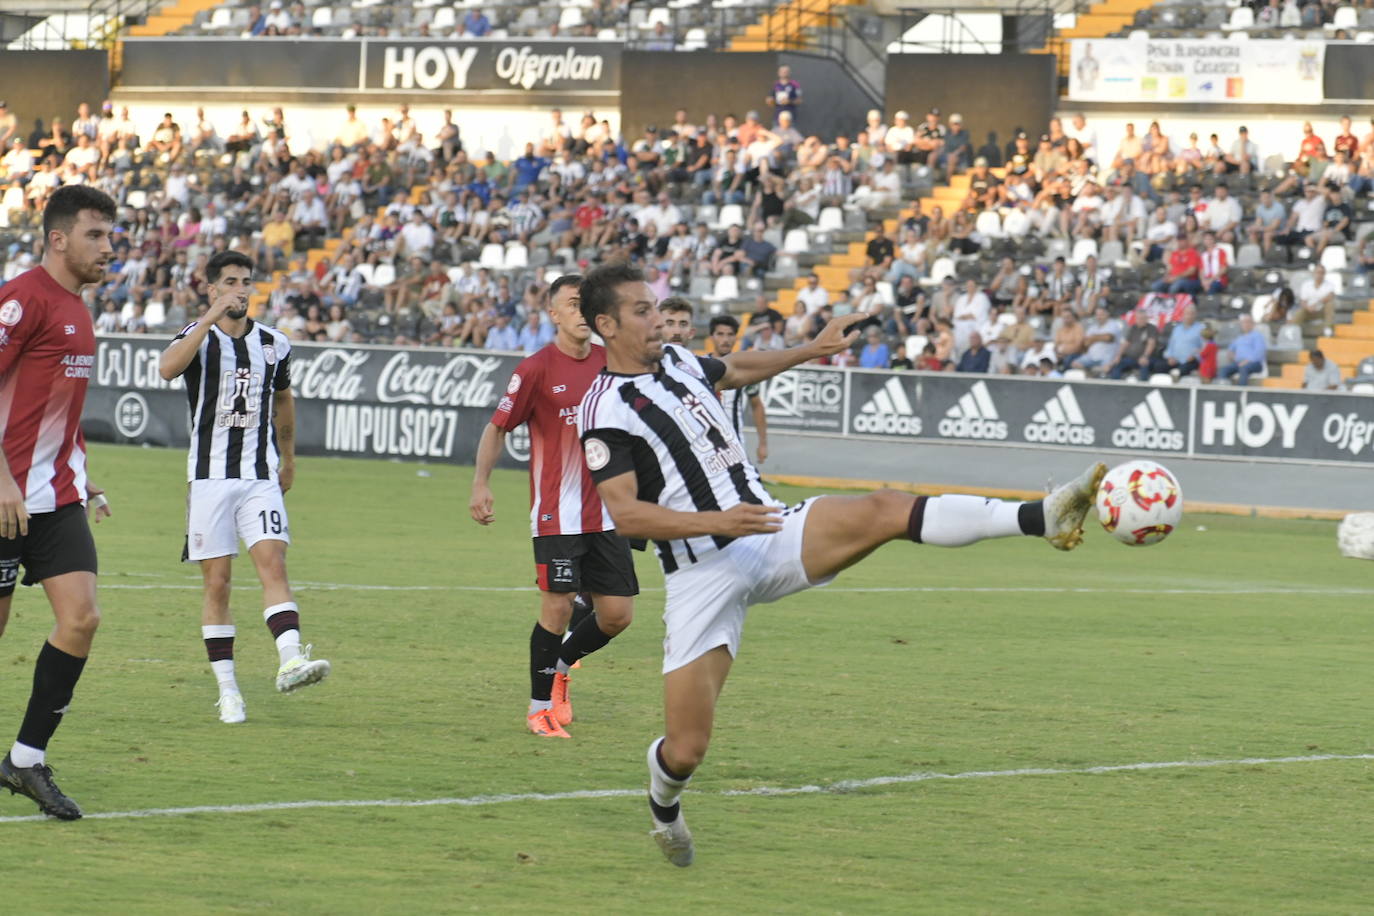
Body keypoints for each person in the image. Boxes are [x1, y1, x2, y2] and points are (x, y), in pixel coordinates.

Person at [573, 261, 1106, 867]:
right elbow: (626, 514)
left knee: (883, 509)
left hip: (770, 530)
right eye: (641, 311)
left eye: (655, 306)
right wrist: (715, 521)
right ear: (605, 326)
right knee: (688, 749)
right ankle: (663, 808)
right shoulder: (603, 410)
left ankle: (1043, 516)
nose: (657, 319)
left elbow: (738, 368)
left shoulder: (678, 362)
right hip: (702, 572)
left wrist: (816, 348)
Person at [156, 251, 330, 726]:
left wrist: (289, 458)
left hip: (259, 476)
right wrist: (208, 318)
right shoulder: (198, 339)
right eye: (230, 282)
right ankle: (228, 690)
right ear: (211, 289)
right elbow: (167, 368)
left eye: (246, 282)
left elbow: (285, 400)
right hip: (210, 479)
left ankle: (291, 660)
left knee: (273, 561)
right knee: (218, 583)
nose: (240, 289)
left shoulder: (274, 344)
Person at [468, 275, 637, 739]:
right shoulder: (536, 369)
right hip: (556, 514)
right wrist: (481, 484)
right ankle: (538, 709)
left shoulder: (611, 362)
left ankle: (561, 665)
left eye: (588, 305)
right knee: (557, 607)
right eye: (573, 305)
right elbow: (498, 427)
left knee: (618, 615)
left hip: (607, 512)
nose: (582, 313)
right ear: (554, 314)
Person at [0, 186, 116, 820]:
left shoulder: (78, 308)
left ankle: (23, 760)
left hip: (58, 496)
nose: (108, 248)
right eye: (96, 235)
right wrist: (3, 478)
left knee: (82, 618)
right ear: (58, 238)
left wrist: (80, 467)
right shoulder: (23, 299)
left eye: (109, 236)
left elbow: (55, 407)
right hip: (4, 499)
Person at [707, 315, 768, 465]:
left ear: (736, 338)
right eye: (720, 334)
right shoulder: (698, 367)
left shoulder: (743, 370)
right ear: (711, 337)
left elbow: (757, 405)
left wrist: (763, 443)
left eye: (730, 334)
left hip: (735, 444)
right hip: (705, 445)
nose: (725, 339)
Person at [1219, 314, 1266, 386]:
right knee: (1223, 370)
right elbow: (1230, 350)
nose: (1245, 324)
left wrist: (1246, 361)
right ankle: (1223, 391)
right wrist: (1233, 356)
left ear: (1252, 324)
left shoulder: (1257, 336)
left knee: (1243, 368)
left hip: (1254, 363)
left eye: (1248, 322)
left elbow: (1259, 353)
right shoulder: (1239, 338)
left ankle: (1241, 392)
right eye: (1243, 322)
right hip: (1239, 363)